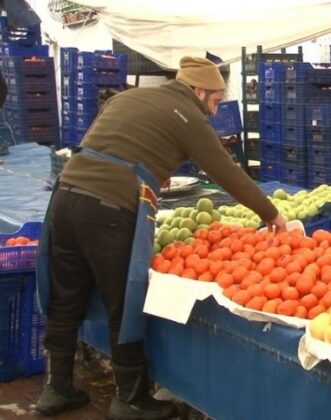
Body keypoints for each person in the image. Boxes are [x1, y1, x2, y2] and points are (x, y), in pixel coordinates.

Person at [35, 56, 287, 419]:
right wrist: (271, 214)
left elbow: (117, 142)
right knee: (124, 301)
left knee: (65, 296)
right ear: (198, 91)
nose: (215, 112)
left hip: (65, 197)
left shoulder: (126, 98)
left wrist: (155, 167)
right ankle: (130, 399)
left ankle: (55, 389)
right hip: (110, 209)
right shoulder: (189, 116)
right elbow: (227, 172)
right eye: (215, 101)